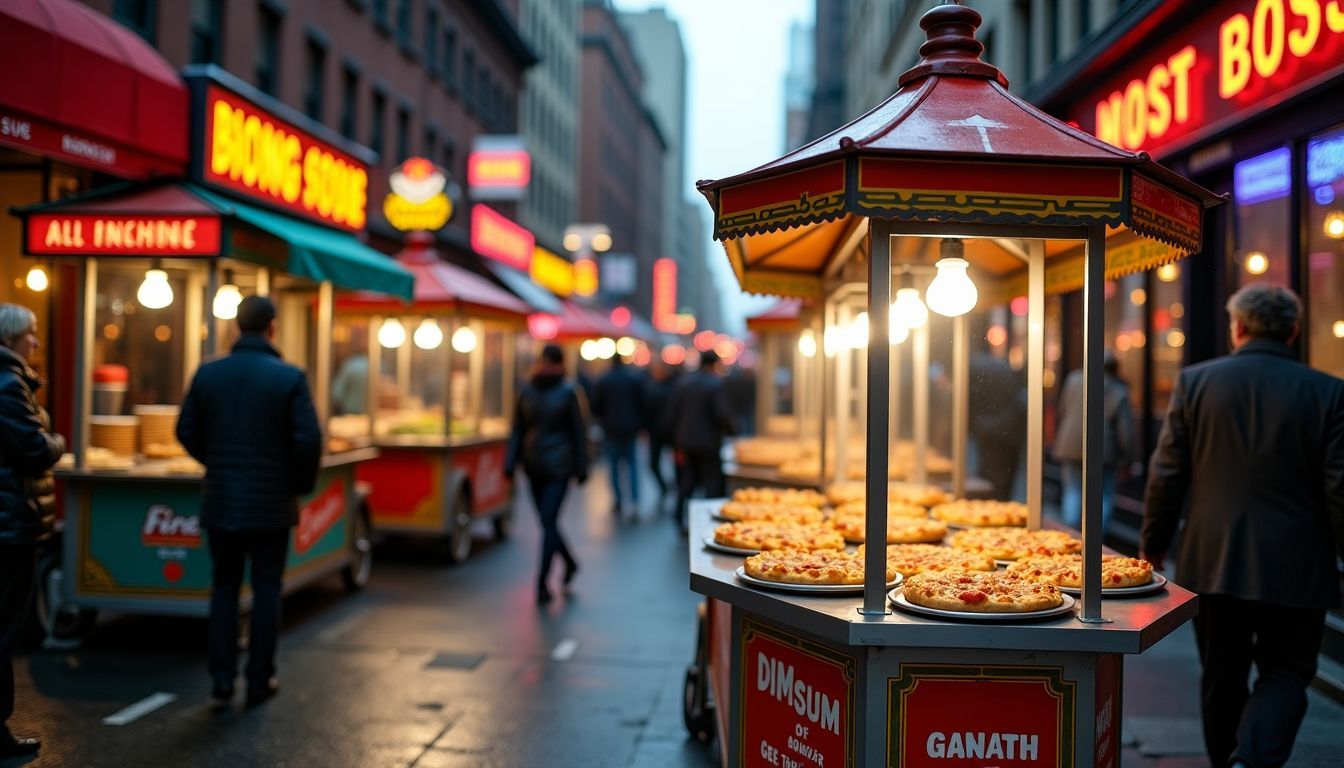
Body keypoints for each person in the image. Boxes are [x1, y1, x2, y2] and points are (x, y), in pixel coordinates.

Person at [1141, 284, 1344, 768]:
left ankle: (1226, 761)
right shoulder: (1329, 391)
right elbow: (1340, 488)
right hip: (1298, 563)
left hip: (1213, 559)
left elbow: (1167, 473)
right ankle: (1252, 760)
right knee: (1287, 672)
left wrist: (1153, 543)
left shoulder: (1195, 382)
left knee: (1221, 676)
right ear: (1293, 330)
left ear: (1237, 328)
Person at [177, 296, 322, 707]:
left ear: (236, 327)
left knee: (223, 587)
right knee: (266, 588)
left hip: (221, 499)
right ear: (272, 327)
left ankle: (221, 680)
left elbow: (185, 429)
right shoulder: (290, 377)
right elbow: (308, 440)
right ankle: (260, 680)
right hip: (272, 504)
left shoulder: (209, 373)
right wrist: (296, 483)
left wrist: (217, 461)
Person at [0, 304, 63, 758]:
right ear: (12, 338)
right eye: (33, 334)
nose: (36, 343)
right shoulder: (7, 382)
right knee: (4, 630)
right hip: (8, 527)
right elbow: (34, 449)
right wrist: (58, 440)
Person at [505, 344, 588, 605]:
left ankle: (541, 582)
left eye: (552, 363)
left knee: (548, 520)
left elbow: (578, 431)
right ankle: (571, 563)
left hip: (559, 467)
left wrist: (581, 466)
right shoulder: (527, 391)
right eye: (545, 362)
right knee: (547, 522)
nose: (547, 367)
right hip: (533, 466)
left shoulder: (569, 391)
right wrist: (510, 462)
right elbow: (518, 428)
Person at [1052, 350, 1133, 534]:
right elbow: (1125, 429)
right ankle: (1095, 539)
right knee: (1103, 495)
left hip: (1069, 445)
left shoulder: (1073, 379)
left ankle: (1071, 535)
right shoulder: (1118, 389)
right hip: (1103, 450)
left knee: (1072, 490)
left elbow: (1062, 409)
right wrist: (1127, 460)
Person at [667, 350, 738, 532]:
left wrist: (675, 440)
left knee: (687, 481)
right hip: (708, 442)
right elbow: (722, 414)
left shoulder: (684, 383)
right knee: (711, 481)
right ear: (714, 364)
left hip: (686, 441)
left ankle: (678, 517)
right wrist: (733, 431)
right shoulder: (715, 385)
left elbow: (672, 413)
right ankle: (709, 522)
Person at [968, 346, 1026, 499]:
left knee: (988, 480)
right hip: (1011, 432)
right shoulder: (1004, 368)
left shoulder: (975, 367)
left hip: (990, 431)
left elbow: (968, 401)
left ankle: (993, 507)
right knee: (1004, 482)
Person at [590, 356, 644, 517]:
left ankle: (618, 499)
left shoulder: (604, 380)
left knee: (614, 466)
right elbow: (642, 402)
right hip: (630, 428)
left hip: (611, 428)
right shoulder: (634, 379)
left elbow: (596, 405)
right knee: (632, 464)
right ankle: (634, 501)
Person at [642, 360, 678, 508]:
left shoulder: (675, 387)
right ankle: (665, 487)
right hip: (655, 432)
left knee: (677, 464)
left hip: (671, 433)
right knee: (652, 463)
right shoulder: (650, 386)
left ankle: (675, 487)